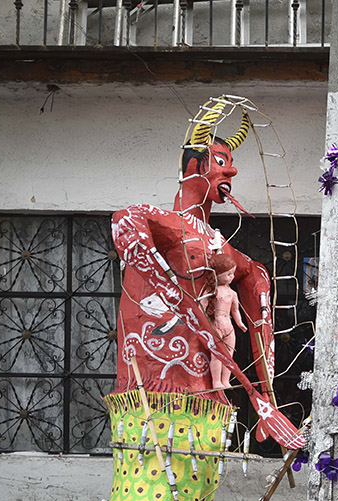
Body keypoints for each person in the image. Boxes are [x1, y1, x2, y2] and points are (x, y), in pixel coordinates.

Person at [110, 99, 303, 450]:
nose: (231, 172)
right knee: (150, 494)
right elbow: (126, 219)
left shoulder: (215, 241)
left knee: (195, 494)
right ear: (196, 167)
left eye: (230, 163)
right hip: (153, 392)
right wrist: (171, 290)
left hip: (206, 392)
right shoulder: (165, 223)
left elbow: (253, 273)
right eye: (220, 162)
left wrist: (266, 392)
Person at [207, 253, 248, 392]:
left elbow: (235, 311)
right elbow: (202, 306)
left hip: (229, 326)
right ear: (217, 274)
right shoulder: (213, 291)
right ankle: (216, 381)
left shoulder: (232, 294)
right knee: (217, 355)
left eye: (232, 274)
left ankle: (225, 379)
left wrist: (240, 323)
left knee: (229, 356)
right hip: (216, 325)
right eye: (228, 274)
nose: (231, 277)